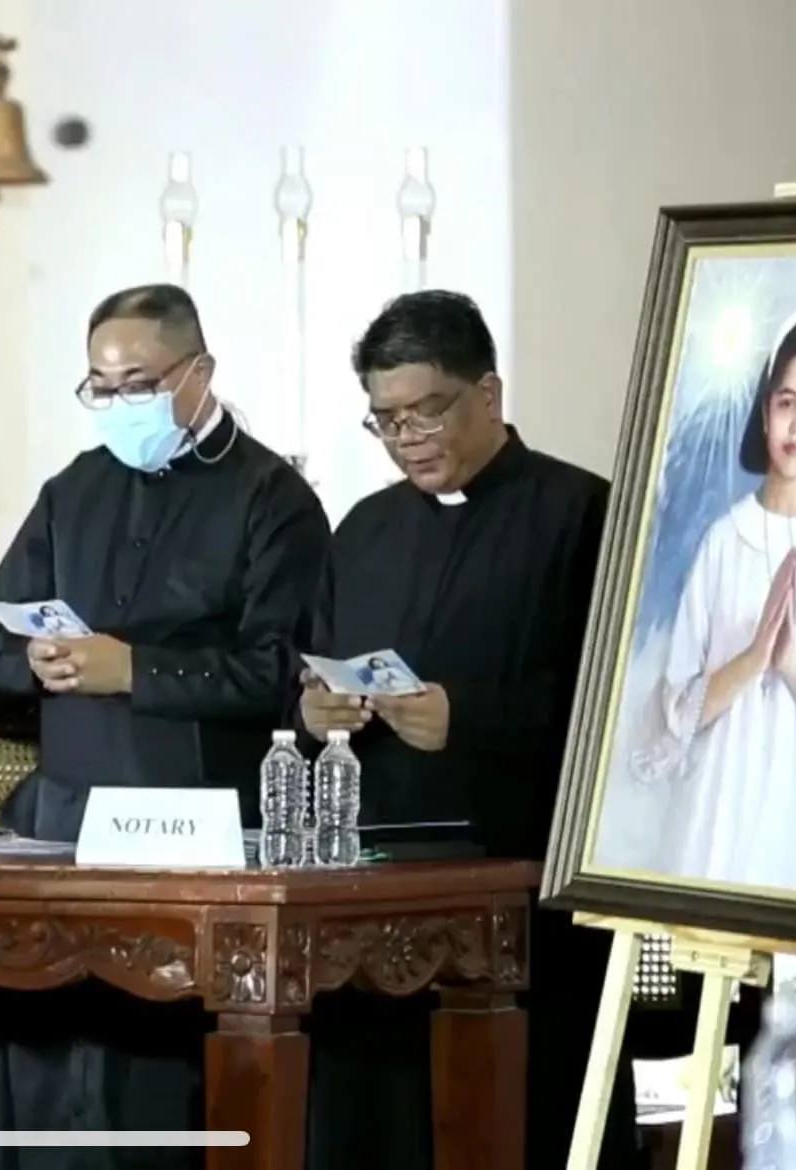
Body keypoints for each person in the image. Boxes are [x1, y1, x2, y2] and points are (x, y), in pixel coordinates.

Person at [0, 283, 330, 1170]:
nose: (119, 404)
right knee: (51, 1069)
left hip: (195, 824)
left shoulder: (272, 498)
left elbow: (280, 674)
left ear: (198, 372)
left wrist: (136, 669)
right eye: (100, 385)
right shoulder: (72, 489)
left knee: (153, 1082)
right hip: (66, 820)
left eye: (138, 382)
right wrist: (39, 663)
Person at [295, 291, 637, 1169]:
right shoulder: (365, 529)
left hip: (527, 899)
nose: (408, 436)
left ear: (488, 393)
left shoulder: (584, 514)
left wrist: (471, 718)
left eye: (427, 410)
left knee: (525, 1128)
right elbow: (314, 673)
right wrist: (312, 713)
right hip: (372, 899)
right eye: (386, 420)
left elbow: (625, 716)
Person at [640, 304, 796, 891]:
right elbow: (677, 707)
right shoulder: (722, 539)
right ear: (765, 412)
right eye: (786, 401)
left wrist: (786, 660)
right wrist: (753, 657)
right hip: (711, 802)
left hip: (781, 805)